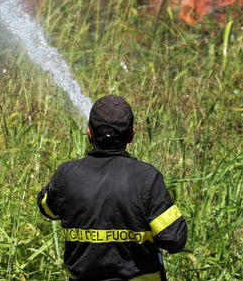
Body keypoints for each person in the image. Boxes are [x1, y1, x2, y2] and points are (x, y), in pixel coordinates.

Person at [37, 95, 188, 280]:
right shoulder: (147, 179)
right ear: (131, 135)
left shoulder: (66, 175)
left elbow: (46, 208)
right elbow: (175, 240)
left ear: (89, 134)